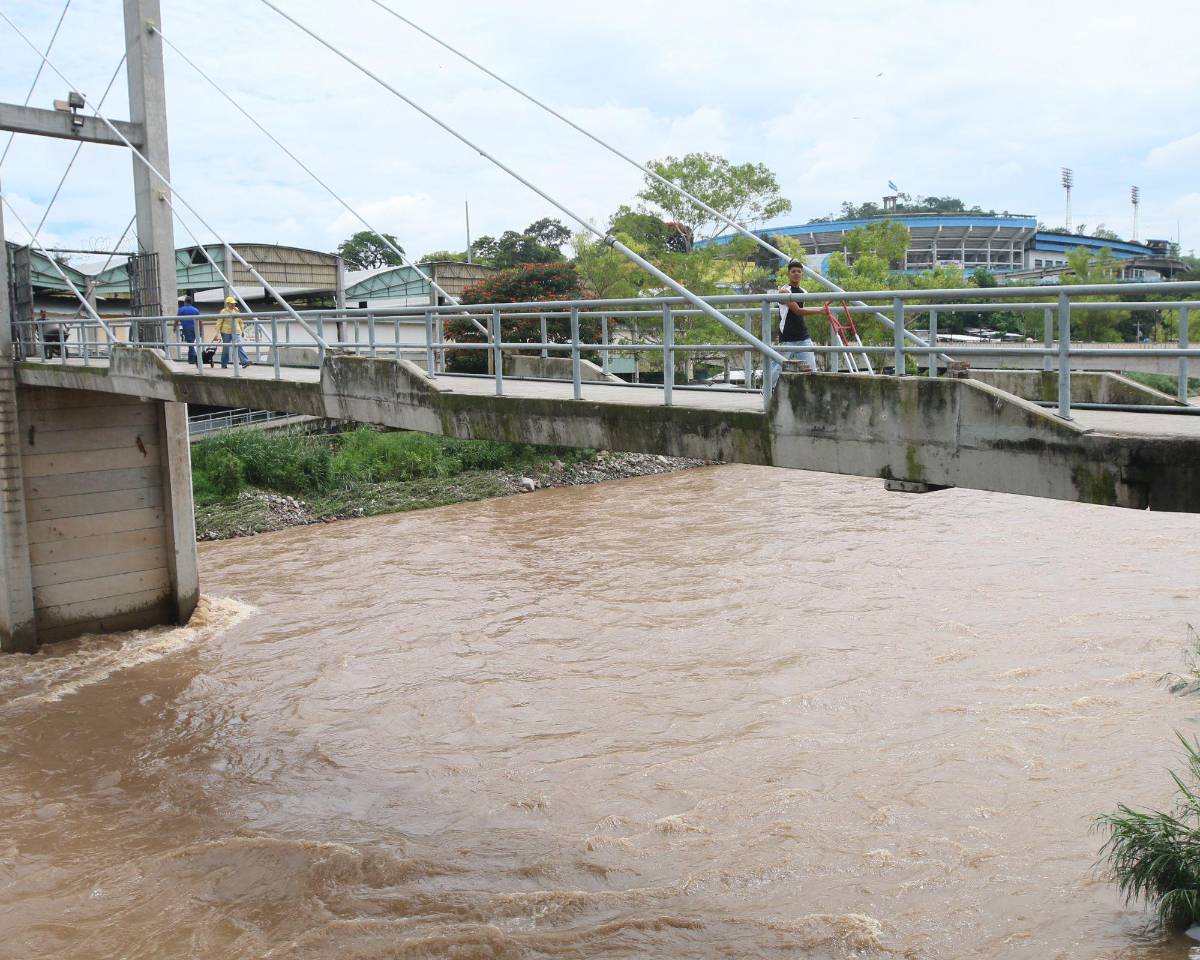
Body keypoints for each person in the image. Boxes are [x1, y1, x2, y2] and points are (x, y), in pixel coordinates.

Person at [769, 260, 824, 391]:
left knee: (811, 369)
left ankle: (811, 397)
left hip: (803, 337)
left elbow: (804, 310)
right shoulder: (784, 291)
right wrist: (820, 311)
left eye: (799, 271)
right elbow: (797, 311)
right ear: (788, 274)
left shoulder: (803, 291)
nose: (796, 274)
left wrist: (822, 308)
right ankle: (767, 394)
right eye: (793, 271)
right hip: (787, 337)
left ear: (802, 274)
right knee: (776, 369)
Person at [217, 295, 250, 369]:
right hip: (226, 331)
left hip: (236, 331)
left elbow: (240, 321)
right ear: (227, 304)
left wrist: (242, 330)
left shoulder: (236, 311)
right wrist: (217, 332)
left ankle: (245, 361)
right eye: (231, 303)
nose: (233, 304)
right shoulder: (223, 312)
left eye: (234, 303)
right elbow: (219, 321)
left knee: (239, 345)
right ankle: (224, 363)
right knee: (226, 348)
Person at [177, 294, 202, 365]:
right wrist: (200, 330)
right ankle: (190, 360)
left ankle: (195, 358)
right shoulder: (195, 310)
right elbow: (200, 321)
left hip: (187, 329)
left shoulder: (181, 309)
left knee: (190, 344)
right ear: (191, 302)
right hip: (195, 329)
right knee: (191, 344)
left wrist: (174, 327)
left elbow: (177, 320)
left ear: (185, 302)